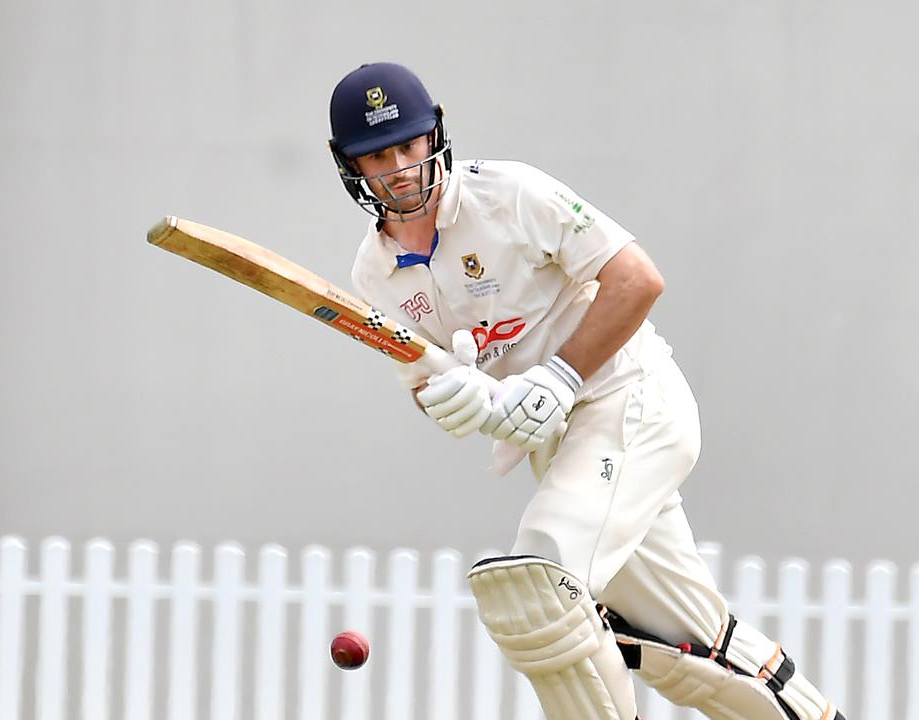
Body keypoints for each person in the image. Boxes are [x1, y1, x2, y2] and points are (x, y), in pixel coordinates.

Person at [329, 62, 845, 720]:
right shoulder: (373, 272)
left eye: (408, 145)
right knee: (685, 648)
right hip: (559, 447)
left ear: (435, 136)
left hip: (629, 402)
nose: (399, 168)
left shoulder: (511, 196)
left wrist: (560, 375)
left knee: (541, 585)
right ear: (349, 165)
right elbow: (421, 382)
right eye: (376, 156)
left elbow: (637, 278)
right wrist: (458, 402)